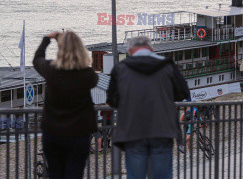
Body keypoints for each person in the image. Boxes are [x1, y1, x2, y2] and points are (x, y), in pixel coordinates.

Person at [107, 36, 190, 179]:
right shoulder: (168, 66)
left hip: (133, 131)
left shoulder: (121, 68)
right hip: (163, 129)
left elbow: (112, 100)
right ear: (151, 49)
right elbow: (182, 93)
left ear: (130, 51)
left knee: (135, 176)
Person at [33, 30, 98, 179]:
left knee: (55, 174)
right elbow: (92, 77)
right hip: (79, 133)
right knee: (75, 174)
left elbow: (37, 59)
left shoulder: (51, 70)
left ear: (61, 50)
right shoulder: (88, 74)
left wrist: (46, 40)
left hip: (53, 131)